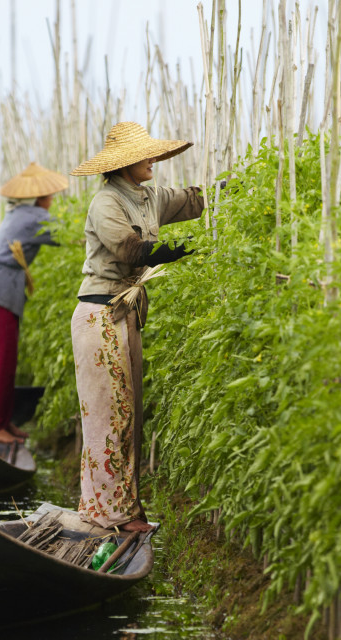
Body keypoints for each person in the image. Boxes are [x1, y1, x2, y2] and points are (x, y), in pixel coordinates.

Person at [69, 122, 205, 532]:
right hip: (100, 314)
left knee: (129, 410)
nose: (154, 160)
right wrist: (162, 253)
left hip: (124, 313)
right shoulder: (106, 202)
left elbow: (193, 203)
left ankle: (121, 507)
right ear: (126, 163)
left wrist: (224, 193)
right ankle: (110, 513)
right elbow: (129, 249)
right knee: (109, 414)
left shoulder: (149, 196)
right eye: (146, 155)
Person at [0, 162, 67, 444]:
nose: (52, 200)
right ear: (40, 198)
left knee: (6, 359)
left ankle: (1, 420)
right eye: (49, 195)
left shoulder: (22, 212)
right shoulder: (34, 217)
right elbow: (73, 235)